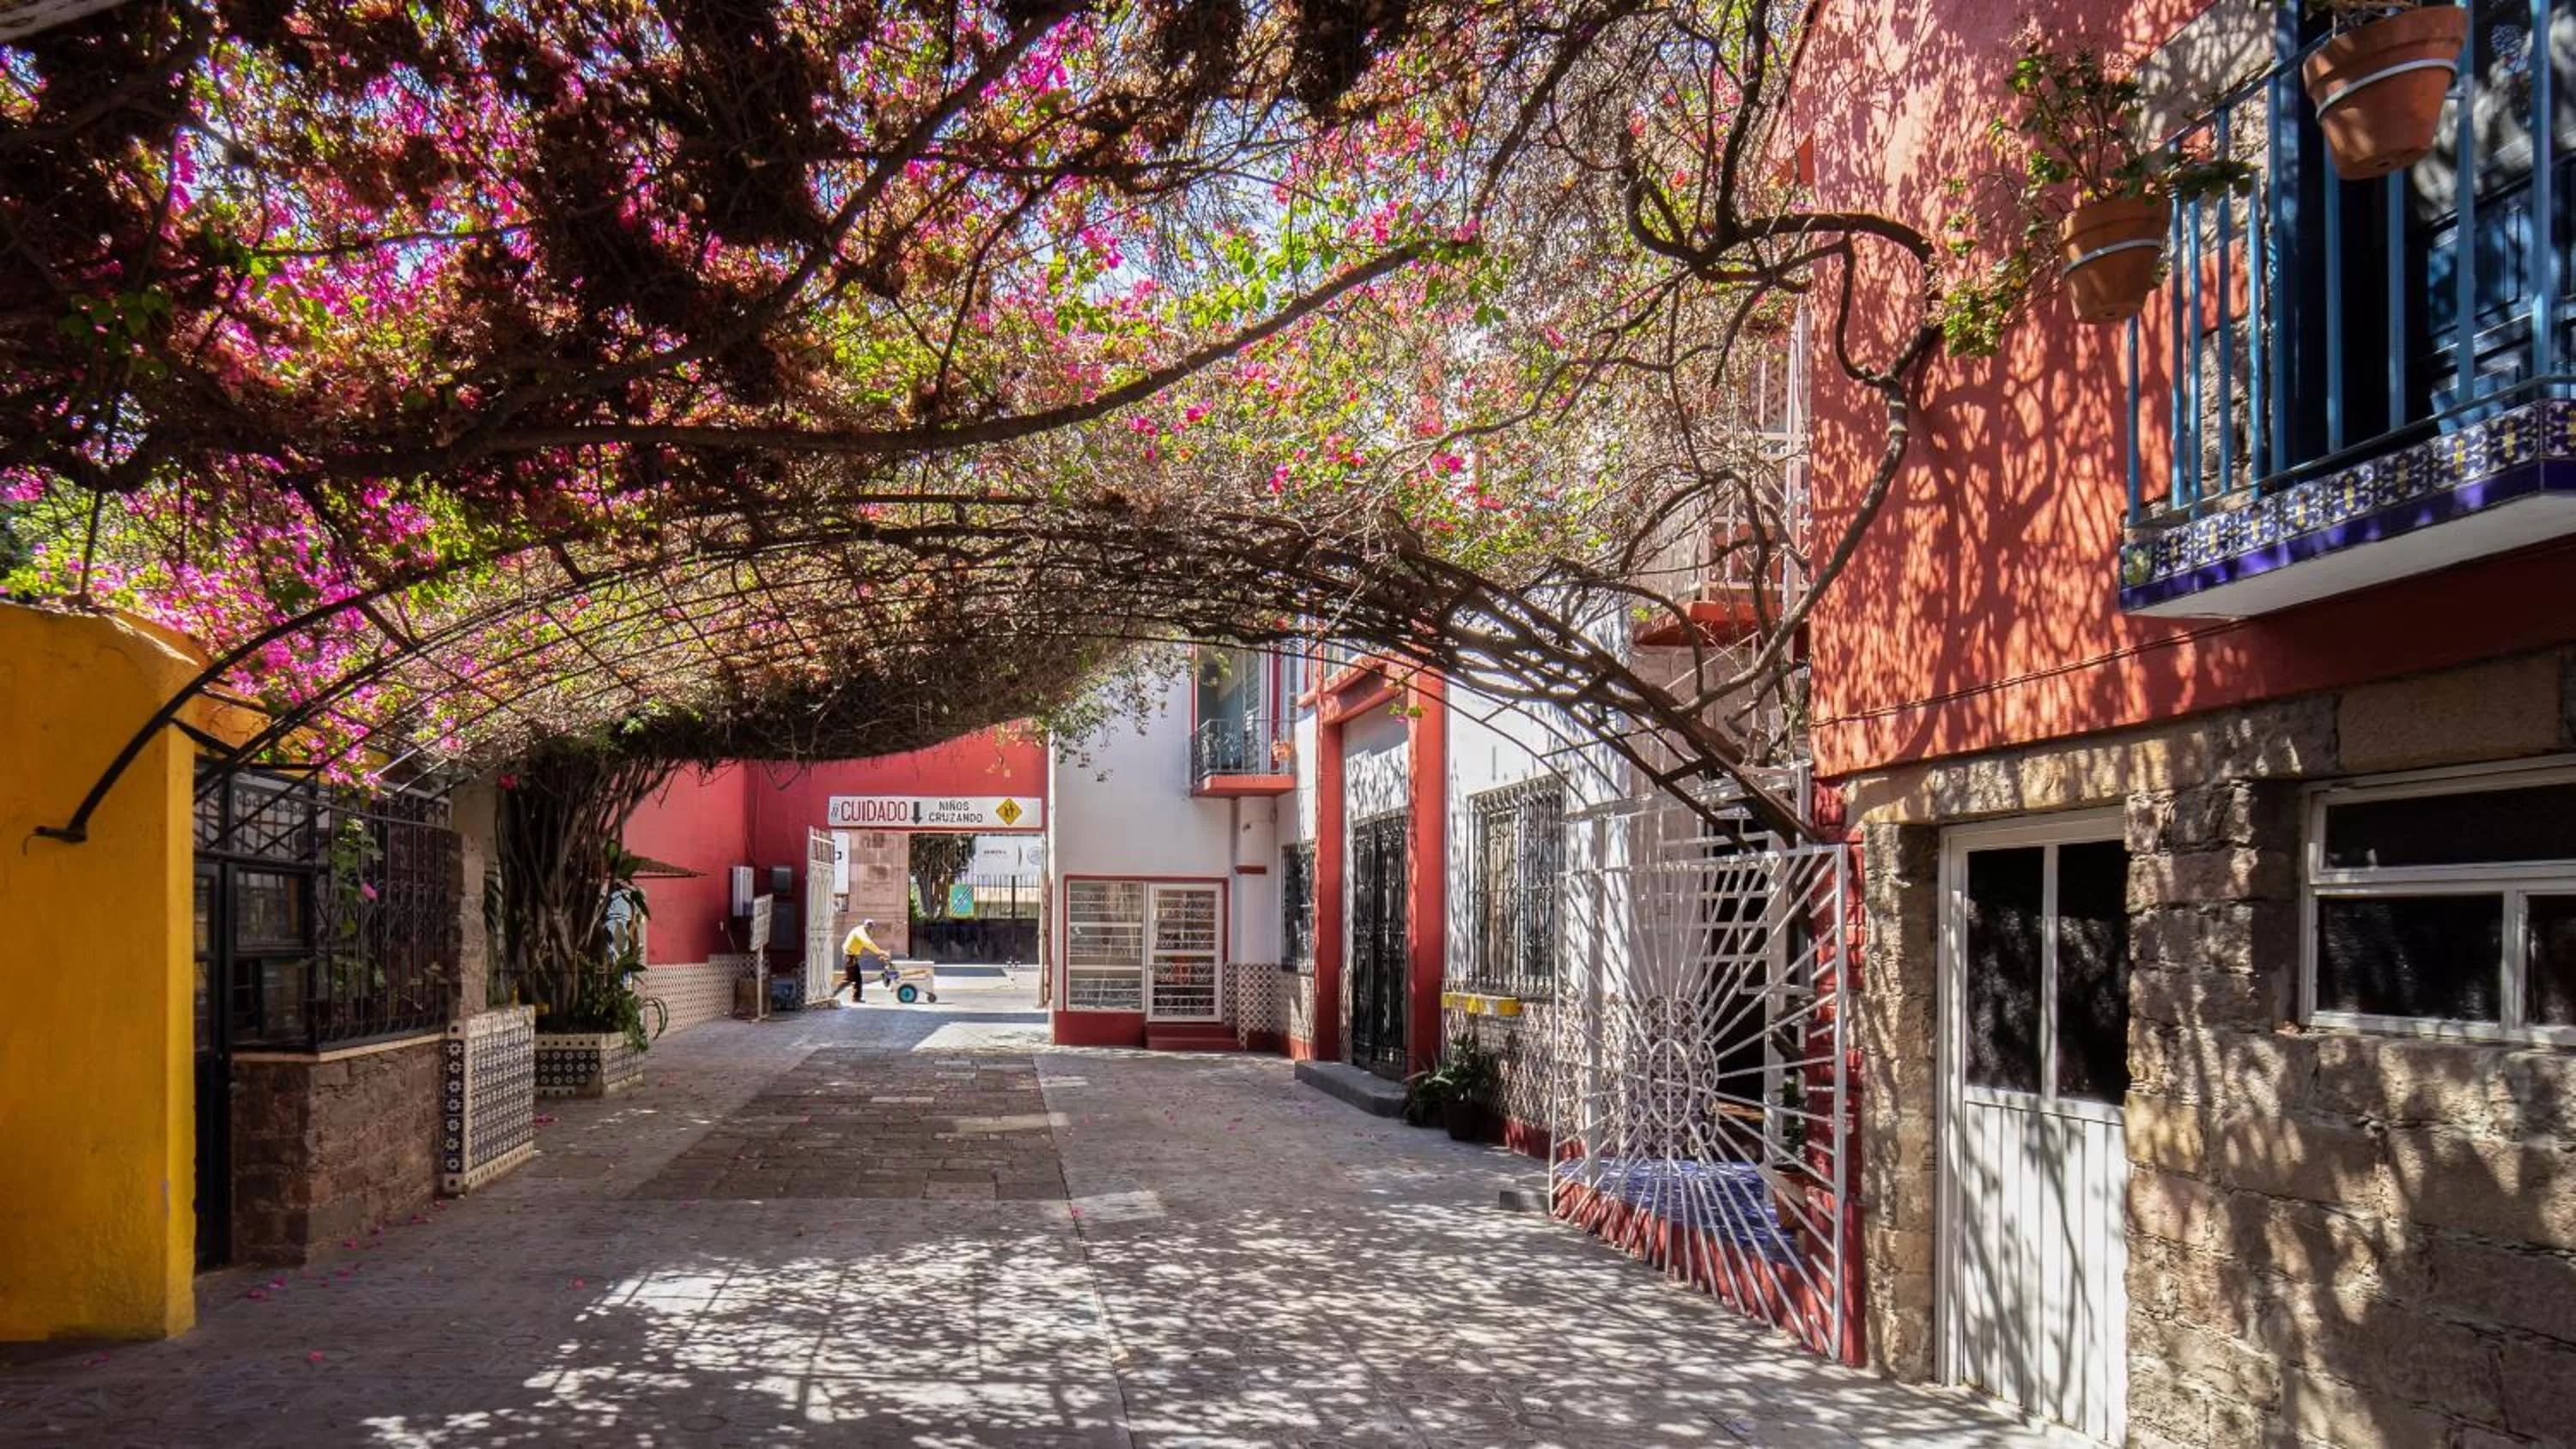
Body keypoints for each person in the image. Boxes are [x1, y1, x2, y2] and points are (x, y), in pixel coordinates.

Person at [836, 918, 889, 1004]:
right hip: (850, 957)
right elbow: (868, 943)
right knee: (848, 979)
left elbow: (865, 944)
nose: (871, 929)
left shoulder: (861, 931)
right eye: (870, 927)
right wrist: (880, 952)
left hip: (853, 957)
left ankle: (856, 998)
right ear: (866, 926)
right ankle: (831, 994)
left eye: (872, 927)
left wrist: (879, 953)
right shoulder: (860, 931)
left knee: (858, 979)